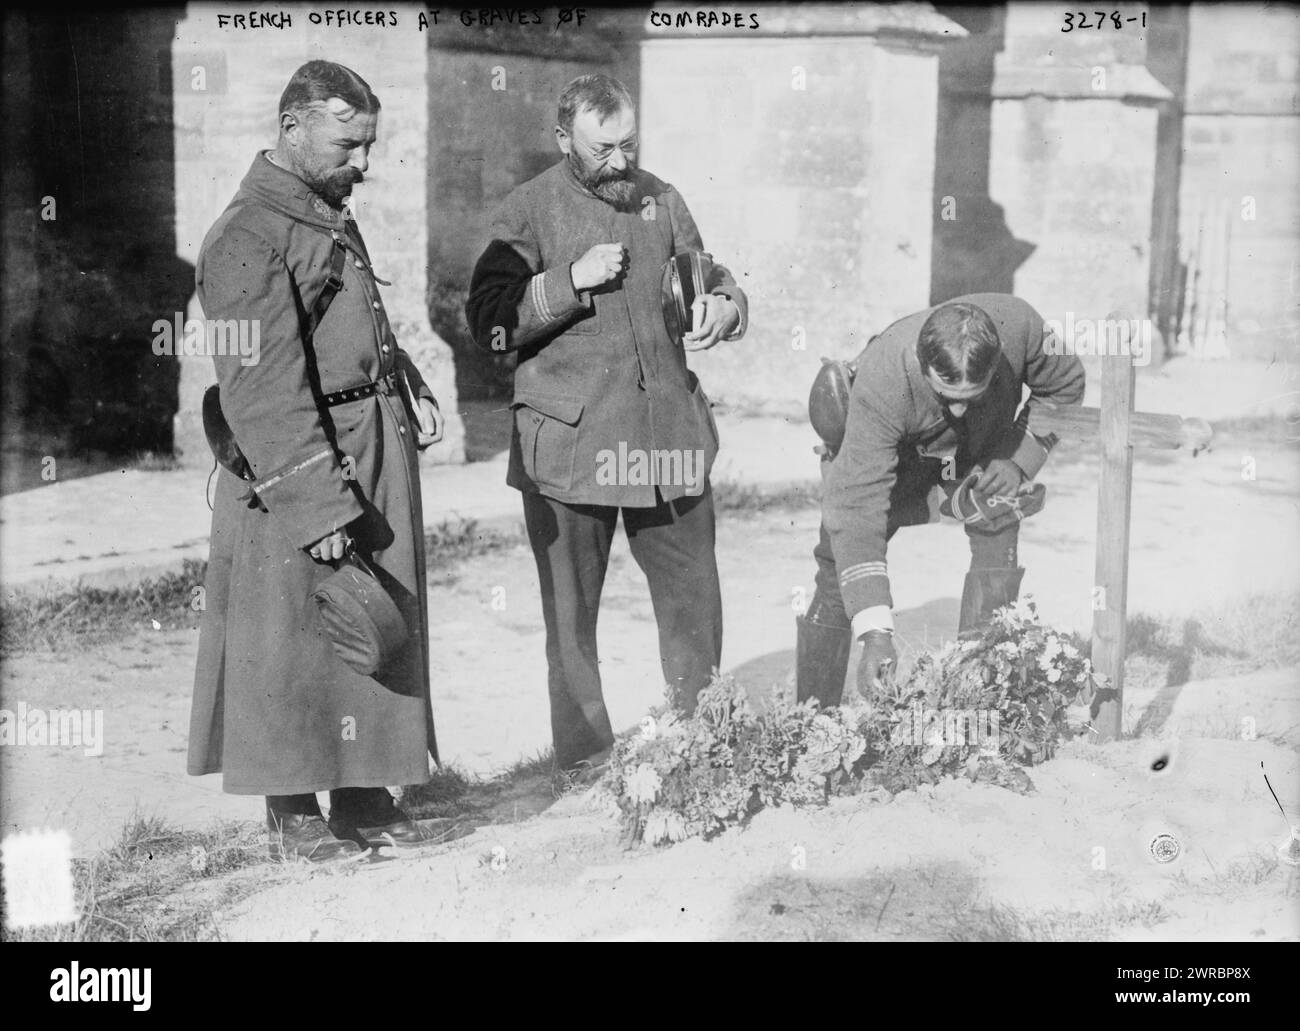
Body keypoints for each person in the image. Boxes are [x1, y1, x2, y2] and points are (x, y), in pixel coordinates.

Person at [188, 61, 445, 860]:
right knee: (291, 637)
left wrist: (407, 381)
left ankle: (363, 789)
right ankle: (292, 807)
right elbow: (260, 387)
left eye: (369, 145)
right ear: (292, 128)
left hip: (368, 444)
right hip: (293, 463)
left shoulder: (322, 206)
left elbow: (356, 320)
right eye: (348, 145)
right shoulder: (244, 234)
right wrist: (318, 501)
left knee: (371, 619)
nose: (363, 163)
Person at [465, 73, 748, 773]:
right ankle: (585, 761)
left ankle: (697, 738)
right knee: (570, 617)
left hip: (666, 438)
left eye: (629, 144)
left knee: (693, 600)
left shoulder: (662, 198)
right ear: (564, 140)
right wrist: (569, 282)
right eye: (602, 150)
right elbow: (489, 325)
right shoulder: (526, 211)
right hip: (572, 445)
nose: (621, 163)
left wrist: (724, 306)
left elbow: (711, 277)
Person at [798, 294, 1085, 706]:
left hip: (981, 453)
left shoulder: (1023, 327)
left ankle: (979, 701)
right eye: (946, 394)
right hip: (896, 457)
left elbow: (1063, 385)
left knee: (998, 523)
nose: (957, 407)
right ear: (921, 361)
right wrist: (875, 632)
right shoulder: (885, 376)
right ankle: (812, 719)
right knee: (837, 567)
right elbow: (858, 509)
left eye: (972, 395)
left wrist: (1018, 459)